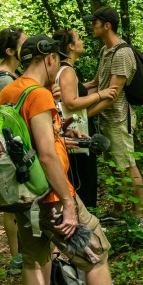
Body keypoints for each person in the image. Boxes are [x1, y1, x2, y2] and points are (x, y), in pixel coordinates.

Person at [0, 34, 121, 285]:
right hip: (51, 197)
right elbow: (47, 157)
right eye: (57, 62)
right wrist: (67, 201)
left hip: (24, 197)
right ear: (49, 59)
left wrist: (60, 135)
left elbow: (28, 144)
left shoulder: (9, 92)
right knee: (95, 254)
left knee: (33, 262)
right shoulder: (37, 94)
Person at [85, 7, 142, 221]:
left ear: (107, 25)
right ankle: (118, 212)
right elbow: (97, 84)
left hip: (119, 119)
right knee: (113, 168)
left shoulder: (123, 53)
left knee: (128, 166)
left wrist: (87, 113)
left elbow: (112, 95)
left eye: (95, 22)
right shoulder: (105, 51)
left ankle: (138, 217)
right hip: (106, 119)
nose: (91, 26)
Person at [0, 27, 26, 275]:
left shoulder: (10, 74)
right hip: (6, 147)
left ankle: (20, 254)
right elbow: (9, 117)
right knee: (11, 206)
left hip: (9, 145)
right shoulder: (2, 80)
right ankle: (16, 256)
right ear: (11, 51)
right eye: (23, 43)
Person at [53, 27, 104, 210]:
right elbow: (71, 102)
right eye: (79, 38)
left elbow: (74, 90)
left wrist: (91, 84)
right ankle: (85, 225)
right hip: (75, 133)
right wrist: (101, 95)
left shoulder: (63, 69)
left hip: (69, 132)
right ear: (71, 46)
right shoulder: (67, 71)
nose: (82, 41)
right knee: (83, 181)